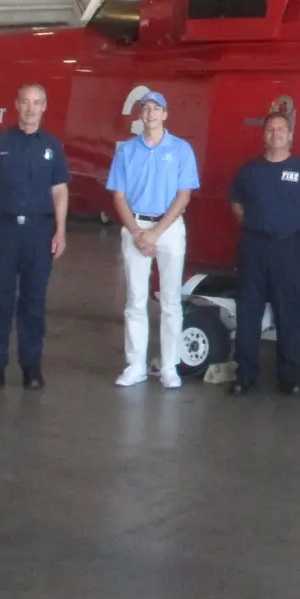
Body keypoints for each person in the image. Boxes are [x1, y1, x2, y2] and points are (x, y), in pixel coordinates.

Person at [0, 83, 70, 391]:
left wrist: (61, 230)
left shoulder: (53, 146)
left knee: (34, 301)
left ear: (44, 107)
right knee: (0, 300)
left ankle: (31, 368)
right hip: (3, 231)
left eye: (37, 102)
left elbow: (60, 191)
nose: (30, 108)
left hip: (39, 233)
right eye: (25, 102)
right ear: (17, 104)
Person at [107, 91, 200, 390]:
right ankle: (136, 364)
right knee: (135, 299)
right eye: (145, 108)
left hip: (169, 228)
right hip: (136, 225)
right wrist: (136, 233)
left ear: (165, 114)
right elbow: (118, 196)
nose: (150, 114)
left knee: (171, 299)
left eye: (156, 108)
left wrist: (156, 232)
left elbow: (184, 195)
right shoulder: (126, 151)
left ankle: (170, 365)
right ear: (140, 114)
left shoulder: (182, 149)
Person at [229, 112, 300, 395]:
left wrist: (290, 231)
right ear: (264, 134)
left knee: (289, 314)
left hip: (290, 249)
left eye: (281, 129)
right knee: (248, 313)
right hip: (253, 247)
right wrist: (259, 228)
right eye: (271, 129)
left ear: (291, 135)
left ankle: (290, 378)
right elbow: (237, 206)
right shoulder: (248, 171)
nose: (276, 134)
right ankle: (245, 375)